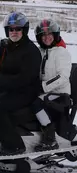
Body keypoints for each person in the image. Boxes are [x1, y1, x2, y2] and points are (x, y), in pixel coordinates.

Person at [0, 11, 42, 156]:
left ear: (24, 30)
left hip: (26, 93)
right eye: (11, 29)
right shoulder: (8, 47)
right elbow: (1, 71)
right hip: (10, 90)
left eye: (18, 29)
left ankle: (15, 145)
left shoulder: (31, 51)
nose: (14, 32)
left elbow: (25, 79)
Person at [32, 19, 72, 151]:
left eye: (49, 34)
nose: (47, 37)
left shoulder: (61, 52)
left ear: (55, 35)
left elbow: (63, 76)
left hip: (60, 94)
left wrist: (43, 87)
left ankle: (50, 137)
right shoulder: (42, 51)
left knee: (36, 103)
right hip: (47, 91)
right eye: (43, 35)